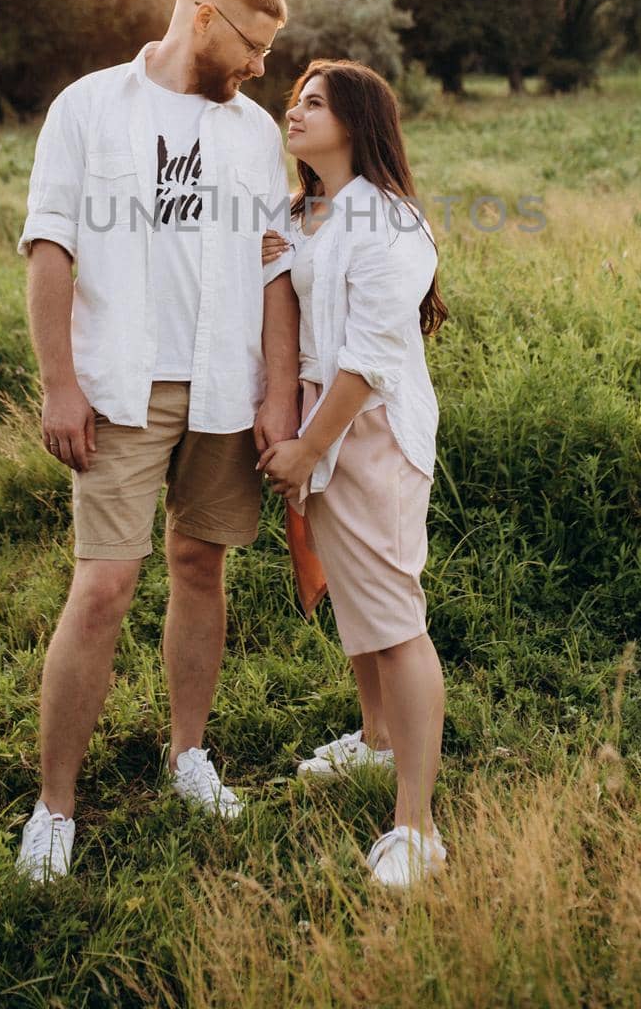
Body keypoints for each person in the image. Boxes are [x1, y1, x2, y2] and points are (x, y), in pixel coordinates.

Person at [14, 0, 299, 882]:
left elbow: (271, 267)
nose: (262, 67)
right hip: (120, 385)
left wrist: (277, 391)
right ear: (205, 17)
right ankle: (55, 804)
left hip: (225, 381)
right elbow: (49, 248)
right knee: (102, 589)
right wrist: (60, 385)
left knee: (199, 565)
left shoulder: (255, 134)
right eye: (254, 45)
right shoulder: (89, 108)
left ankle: (188, 755)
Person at [258, 60, 449, 890]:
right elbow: (280, 294)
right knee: (360, 603)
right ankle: (375, 743)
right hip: (320, 429)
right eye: (294, 99)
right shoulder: (306, 212)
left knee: (397, 616)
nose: (293, 111)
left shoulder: (389, 222)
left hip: (369, 432)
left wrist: (305, 447)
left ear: (357, 121)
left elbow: (370, 358)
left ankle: (418, 828)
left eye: (313, 102)